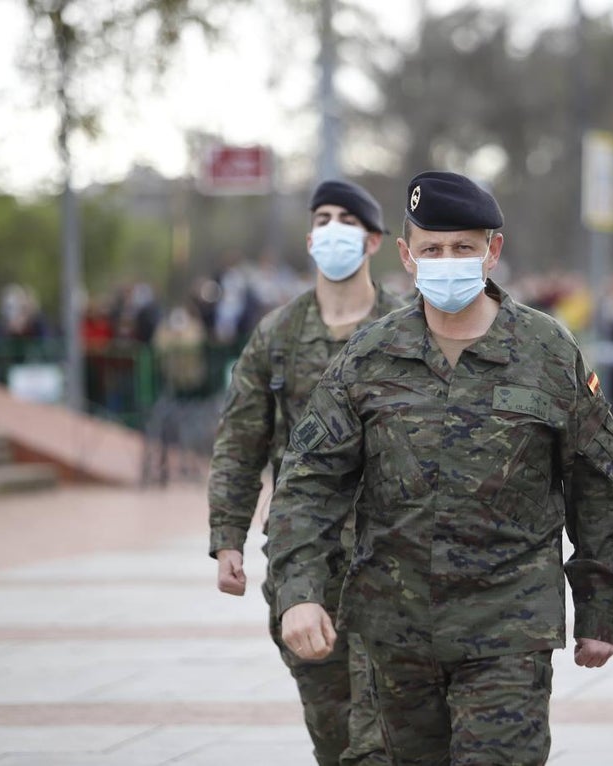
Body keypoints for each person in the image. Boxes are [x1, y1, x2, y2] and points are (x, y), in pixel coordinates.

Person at [267, 171, 613, 765]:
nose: (447, 261)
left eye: (463, 248)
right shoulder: (367, 358)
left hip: (508, 629)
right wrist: (299, 591)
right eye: (433, 249)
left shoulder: (548, 353)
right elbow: (308, 482)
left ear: (492, 250)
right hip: (395, 634)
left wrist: (601, 609)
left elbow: (602, 488)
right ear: (407, 256)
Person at [208, 179, 403, 766]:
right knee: (335, 737)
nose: (332, 228)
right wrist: (227, 539)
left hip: (396, 562)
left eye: (347, 219)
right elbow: (241, 442)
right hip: (308, 564)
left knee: (386, 740)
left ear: (372, 242)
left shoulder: (405, 327)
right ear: (311, 238)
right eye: (322, 218)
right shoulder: (278, 335)